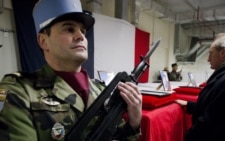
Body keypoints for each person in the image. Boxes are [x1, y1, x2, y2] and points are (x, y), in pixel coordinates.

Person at [0, 0, 142, 140]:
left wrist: (134, 123)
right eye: (69, 29)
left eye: (83, 31)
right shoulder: (18, 90)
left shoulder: (101, 90)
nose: (81, 36)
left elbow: (114, 135)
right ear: (43, 41)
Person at [175, 33, 225, 141]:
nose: (208, 59)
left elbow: (211, 124)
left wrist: (188, 136)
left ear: (223, 52)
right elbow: (215, 107)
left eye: (211, 54)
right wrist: (189, 105)